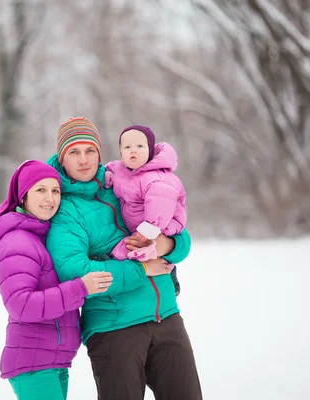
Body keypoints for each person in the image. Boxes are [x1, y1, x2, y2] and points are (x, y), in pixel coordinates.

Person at [46, 117, 202, 400]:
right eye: (74, 152)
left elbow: (181, 237)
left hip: (166, 317)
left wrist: (166, 245)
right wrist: (141, 269)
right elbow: (75, 270)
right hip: (114, 329)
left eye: (90, 150)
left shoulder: (126, 181)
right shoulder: (64, 210)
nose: (84, 160)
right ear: (62, 158)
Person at [0, 159, 114, 400]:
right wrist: (80, 288)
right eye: (40, 190)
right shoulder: (17, 242)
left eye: (55, 191)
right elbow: (21, 304)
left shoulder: (39, 236)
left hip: (51, 360)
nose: (50, 198)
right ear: (23, 196)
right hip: (34, 364)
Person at [105, 125, 187, 294]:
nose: (132, 151)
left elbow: (161, 204)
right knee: (134, 249)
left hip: (161, 224)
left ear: (150, 150)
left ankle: (170, 273)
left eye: (139, 146)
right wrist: (107, 177)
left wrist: (150, 227)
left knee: (133, 250)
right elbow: (111, 169)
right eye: (127, 147)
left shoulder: (157, 176)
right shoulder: (122, 170)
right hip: (140, 226)